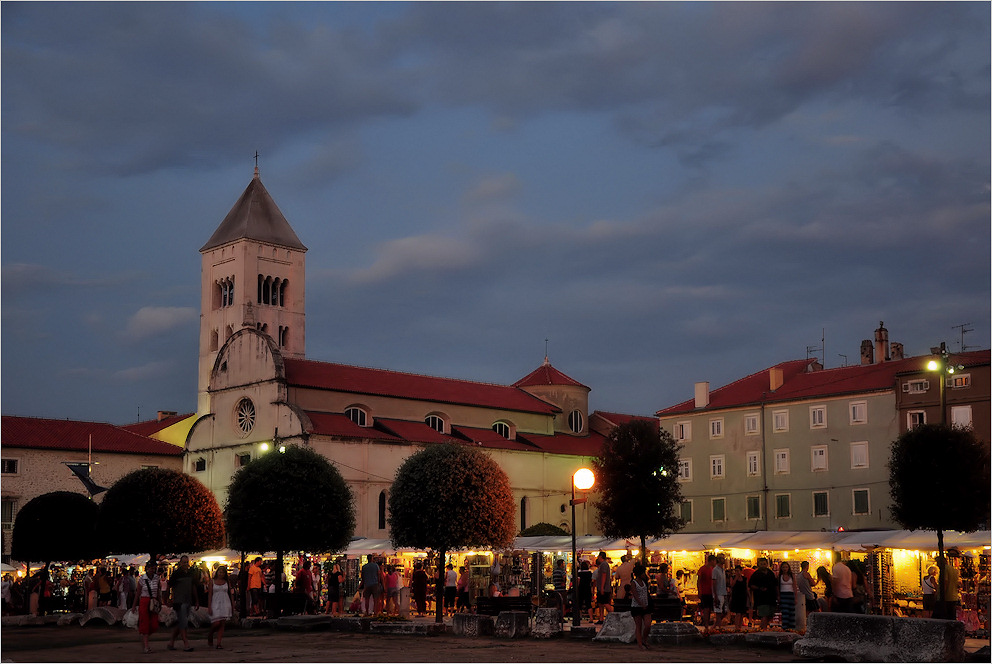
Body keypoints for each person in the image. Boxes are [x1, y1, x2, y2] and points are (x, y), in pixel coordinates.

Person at [166, 556, 197, 652]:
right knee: (183, 623)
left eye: (187, 562)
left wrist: (197, 600)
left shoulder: (191, 574)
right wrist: (167, 599)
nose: (185, 564)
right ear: (180, 563)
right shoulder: (176, 574)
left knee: (181, 623)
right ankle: (186, 643)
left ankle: (171, 642)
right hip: (179, 601)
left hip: (188, 600)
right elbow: (169, 586)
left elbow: (193, 587)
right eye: (184, 562)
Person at [137, 561, 163, 654]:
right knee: (145, 623)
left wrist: (160, 602)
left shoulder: (157, 578)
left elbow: (158, 591)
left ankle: (145, 637)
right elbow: (138, 592)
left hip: (153, 600)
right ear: (147, 568)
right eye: (151, 568)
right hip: (144, 601)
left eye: (154, 568)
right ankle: (146, 645)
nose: (153, 570)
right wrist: (134, 605)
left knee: (154, 624)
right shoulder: (142, 579)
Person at [207, 566, 233, 649]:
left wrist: (233, 604)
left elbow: (230, 593)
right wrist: (209, 606)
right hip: (215, 602)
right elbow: (210, 594)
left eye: (223, 572)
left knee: (222, 623)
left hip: (225, 602)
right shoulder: (212, 582)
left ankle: (219, 643)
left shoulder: (227, 582)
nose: (221, 574)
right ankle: (210, 634)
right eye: (220, 572)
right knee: (216, 622)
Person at [748, 557, 777, 630]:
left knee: (770, 614)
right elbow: (751, 585)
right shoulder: (756, 574)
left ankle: (762, 627)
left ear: (767, 564)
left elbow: (775, 584)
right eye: (761, 564)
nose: (763, 565)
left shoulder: (770, 573)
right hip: (761, 598)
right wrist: (759, 588)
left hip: (771, 597)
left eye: (764, 564)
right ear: (758, 565)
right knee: (764, 613)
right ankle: (764, 629)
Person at [628, 563, 652, 651]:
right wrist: (641, 604)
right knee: (639, 626)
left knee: (648, 624)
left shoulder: (644, 581)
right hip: (637, 606)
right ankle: (640, 643)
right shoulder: (633, 583)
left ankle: (644, 640)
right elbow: (635, 595)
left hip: (645, 605)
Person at [697, 554, 716, 633]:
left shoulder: (712, 569)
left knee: (710, 609)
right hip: (705, 591)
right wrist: (699, 591)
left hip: (711, 592)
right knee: (706, 609)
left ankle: (709, 625)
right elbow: (698, 581)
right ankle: (706, 625)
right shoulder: (703, 569)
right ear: (711, 561)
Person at [593, 552, 612, 624]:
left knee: (605, 603)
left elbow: (604, 575)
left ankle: (615, 613)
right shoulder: (603, 564)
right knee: (601, 603)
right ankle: (601, 618)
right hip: (602, 587)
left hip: (604, 587)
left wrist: (602, 587)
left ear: (600, 556)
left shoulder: (604, 564)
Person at [796, 561, 816, 630]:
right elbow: (813, 583)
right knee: (817, 610)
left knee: (807, 612)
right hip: (809, 595)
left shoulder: (798, 575)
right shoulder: (806, 574)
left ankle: (807, 625)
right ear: (807, 566)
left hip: (803, 595)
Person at [729, 565, 749, 631]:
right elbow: (732, 585)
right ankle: (736, 626)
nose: (737, 572)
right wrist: (736, 578)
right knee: (737, 613)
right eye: (736, 571)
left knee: (742, 613)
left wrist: (749, 597)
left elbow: (746, 588)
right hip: (736, 596)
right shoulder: (733, 578)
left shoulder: (744, 579)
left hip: (743, 596)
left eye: (738, 571)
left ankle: (740, 626)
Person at [711, 554, 728, 631]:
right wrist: (715, 595)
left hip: (723, 592)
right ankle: (718, 627)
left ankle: (715, 625)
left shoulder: (723, 570)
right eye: (722, 558)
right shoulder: (715, 570)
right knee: (718, 611)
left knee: (724, 611)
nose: (723, 560)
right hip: (718, 593)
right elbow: (714, 583)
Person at [778, 561, 796, 630]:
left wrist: (796, 597)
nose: (785, 569)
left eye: (786, 567)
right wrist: (778, 596)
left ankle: (791, 628)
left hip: (790, 595)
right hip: (783, 595)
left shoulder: (792, 576)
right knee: (785, 612)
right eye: (783, 567)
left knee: (791, 612)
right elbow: (778, 587)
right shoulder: (780, 576)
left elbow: (794, 586)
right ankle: (785, 628)